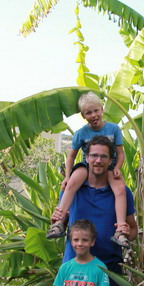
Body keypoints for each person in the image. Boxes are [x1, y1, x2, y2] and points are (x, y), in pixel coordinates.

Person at [61, 135, 138, 286]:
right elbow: (61, 221)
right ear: (86, 157)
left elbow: (133, 231)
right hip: (76, 265)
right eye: (93, 155)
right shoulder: (74, 188)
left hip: (109, 265)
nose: (98, 160)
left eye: (103, 156)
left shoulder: (122, 193)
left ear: (111, 160)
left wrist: (126, 231)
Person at [47, 93, 128, 245]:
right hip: (87, 165)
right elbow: (71, 156)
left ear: (102, 109)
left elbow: (121, 153)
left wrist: (117, 167)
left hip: (109, 165)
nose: (93, 115)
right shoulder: (81, 133)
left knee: (120, 190)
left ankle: (120, 229)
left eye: (96, 110)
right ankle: (59, 221)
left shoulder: (114, 129)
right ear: (83, 116)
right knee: (70, 185)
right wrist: (67, 175)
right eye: (88, 113)